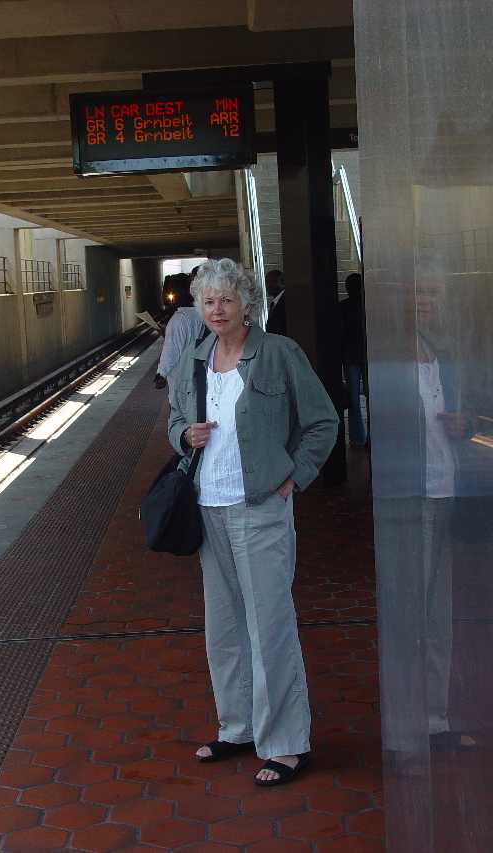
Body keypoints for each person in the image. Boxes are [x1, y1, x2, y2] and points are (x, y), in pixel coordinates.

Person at [168, 258, 339, 786]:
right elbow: (175, 419)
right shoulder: (194, 360)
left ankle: (286, 743)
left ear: (248, 304)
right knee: (223, 628)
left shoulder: (279, 354)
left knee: (270, 626)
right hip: (207, 507)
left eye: (227, 299)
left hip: (260, 507)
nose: (217, 310)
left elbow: (322, 421)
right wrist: (183, 437)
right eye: (208, 301)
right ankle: (237, 726)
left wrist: (295, 477)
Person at [154, 267, 205, 395]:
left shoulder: (178, 320)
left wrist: (161, 374)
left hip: (182, 385)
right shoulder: (202, 313)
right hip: (200, 377)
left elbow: (171, 351)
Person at [340, 272, 367, 446]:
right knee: (373, 397)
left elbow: (340, 335)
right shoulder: (368, 306)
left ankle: (357, 438)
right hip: (367, 355)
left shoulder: (342, 307)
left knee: (354, 401)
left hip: (350, 358)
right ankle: (373, 437)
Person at [264, 268, 286, 335]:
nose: (268, 285)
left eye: (273, 281)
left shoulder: (285, 302)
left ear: (282, 282)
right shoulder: (274, 303)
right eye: (267, 282)